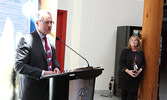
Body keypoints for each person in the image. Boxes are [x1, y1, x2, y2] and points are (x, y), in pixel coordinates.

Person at [15, 10, 61, 100]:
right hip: (32, 92)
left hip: (49, 91)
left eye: (51, 22)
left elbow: (53, 59)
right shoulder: (27, 40)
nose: (50, 25)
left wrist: (56, 67)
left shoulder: (51, 40)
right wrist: (42, 73)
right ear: (37, 23)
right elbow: (19, 66)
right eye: (46, 22)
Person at [118, 35, 145, 100]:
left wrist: (139, 72)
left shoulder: (141, 52)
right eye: (132, 40)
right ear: (130, 42)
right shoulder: (125, 51)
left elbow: (143, 64)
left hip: (135, 77)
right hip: (125, 77)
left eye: (135, 40)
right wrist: (129, 71)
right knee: (124, 96)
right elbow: (121, 63)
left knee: (133, 96)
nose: (133, 41)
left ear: (138, 42)